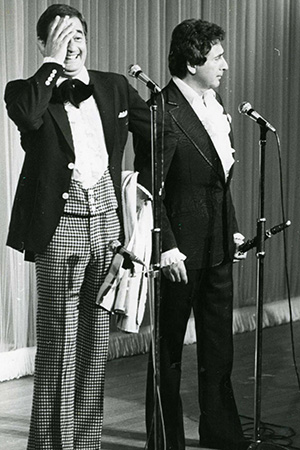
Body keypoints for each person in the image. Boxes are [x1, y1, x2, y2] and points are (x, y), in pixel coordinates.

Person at [4, 4, 150, 449]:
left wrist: (140, 198)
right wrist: (50, 65)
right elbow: (28, 115)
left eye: (78, 34)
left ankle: (86, 444)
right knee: (59, 348)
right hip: (59, 228)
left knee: (93, 346)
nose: (73, 43)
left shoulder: (113, 87)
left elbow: (158, 132)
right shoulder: (26, 90)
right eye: (61, 35)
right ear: (44, 44)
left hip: (107, 224)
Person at [134, 18, 249, 450]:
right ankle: (165, 443)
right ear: (191, 60)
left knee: (219, 352)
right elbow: (149, 188)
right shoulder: (161, 111)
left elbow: (219, 181)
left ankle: (222, 435)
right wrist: (166, 249)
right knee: (167, 358)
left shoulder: (214, 106)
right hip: (177, 255)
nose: (224, 64)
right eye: (216, 56)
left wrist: (233, 232)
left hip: (217, 247)